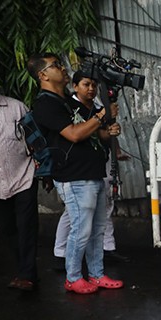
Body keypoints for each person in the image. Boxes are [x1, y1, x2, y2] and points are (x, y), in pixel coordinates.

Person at [27, 53, 124, 294]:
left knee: (97, 228)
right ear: (43, 75)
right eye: (56, 65)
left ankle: (97, 274)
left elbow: (93, 134)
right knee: (81, 230)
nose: (62, 68)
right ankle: (73, 277)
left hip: (92, 171)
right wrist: (102, 116)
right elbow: (74, 134)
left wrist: (107, 130)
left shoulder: (68, 103)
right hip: (73, 176)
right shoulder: (45, 104)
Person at [53, 71, 130, 269]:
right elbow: (75, 134)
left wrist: (113, 137)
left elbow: (102, 135)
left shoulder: (98, 107)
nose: (91, 89)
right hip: (75, 169)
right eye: (86, 84)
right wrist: (103, 116)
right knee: (73, 214)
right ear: (76, 86)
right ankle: (62, 254)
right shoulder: (69, 107)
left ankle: (106, 250)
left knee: (103, 207)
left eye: (94, 85)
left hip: (98, 164)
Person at [0, 83, 38, 291]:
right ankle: (26, 269)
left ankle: (26, 274)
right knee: (7, 227)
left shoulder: (16, 107)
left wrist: (43, 169)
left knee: (26, 226)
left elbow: (35, 139)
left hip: (24, 176)